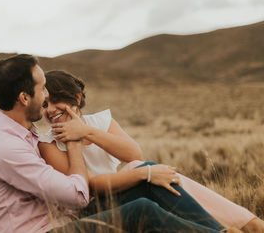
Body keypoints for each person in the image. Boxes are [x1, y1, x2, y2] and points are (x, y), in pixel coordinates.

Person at [0, 55, 227, 233]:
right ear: (24, 98)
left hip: (65, 219)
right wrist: (74, 142)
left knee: (148, 184)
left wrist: (144, 173)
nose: (47, 96)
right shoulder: (5, 148)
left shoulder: (23, 132)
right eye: (42, 90)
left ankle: (224, 231)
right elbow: (78, 195)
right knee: (140, 211)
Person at [38, 70, 264, 233]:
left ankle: (238, 227)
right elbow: (88, 186)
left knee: (142, 167)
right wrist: (143, 174)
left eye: (56, 101)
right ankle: (240, 226)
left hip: (119, 193)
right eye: (44, 104)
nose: (50, 110)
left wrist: (86, 131)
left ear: (75, 99)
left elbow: (134, 153)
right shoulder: (48, 144)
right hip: (93, 208)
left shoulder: (100, 121)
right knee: (145, 171)